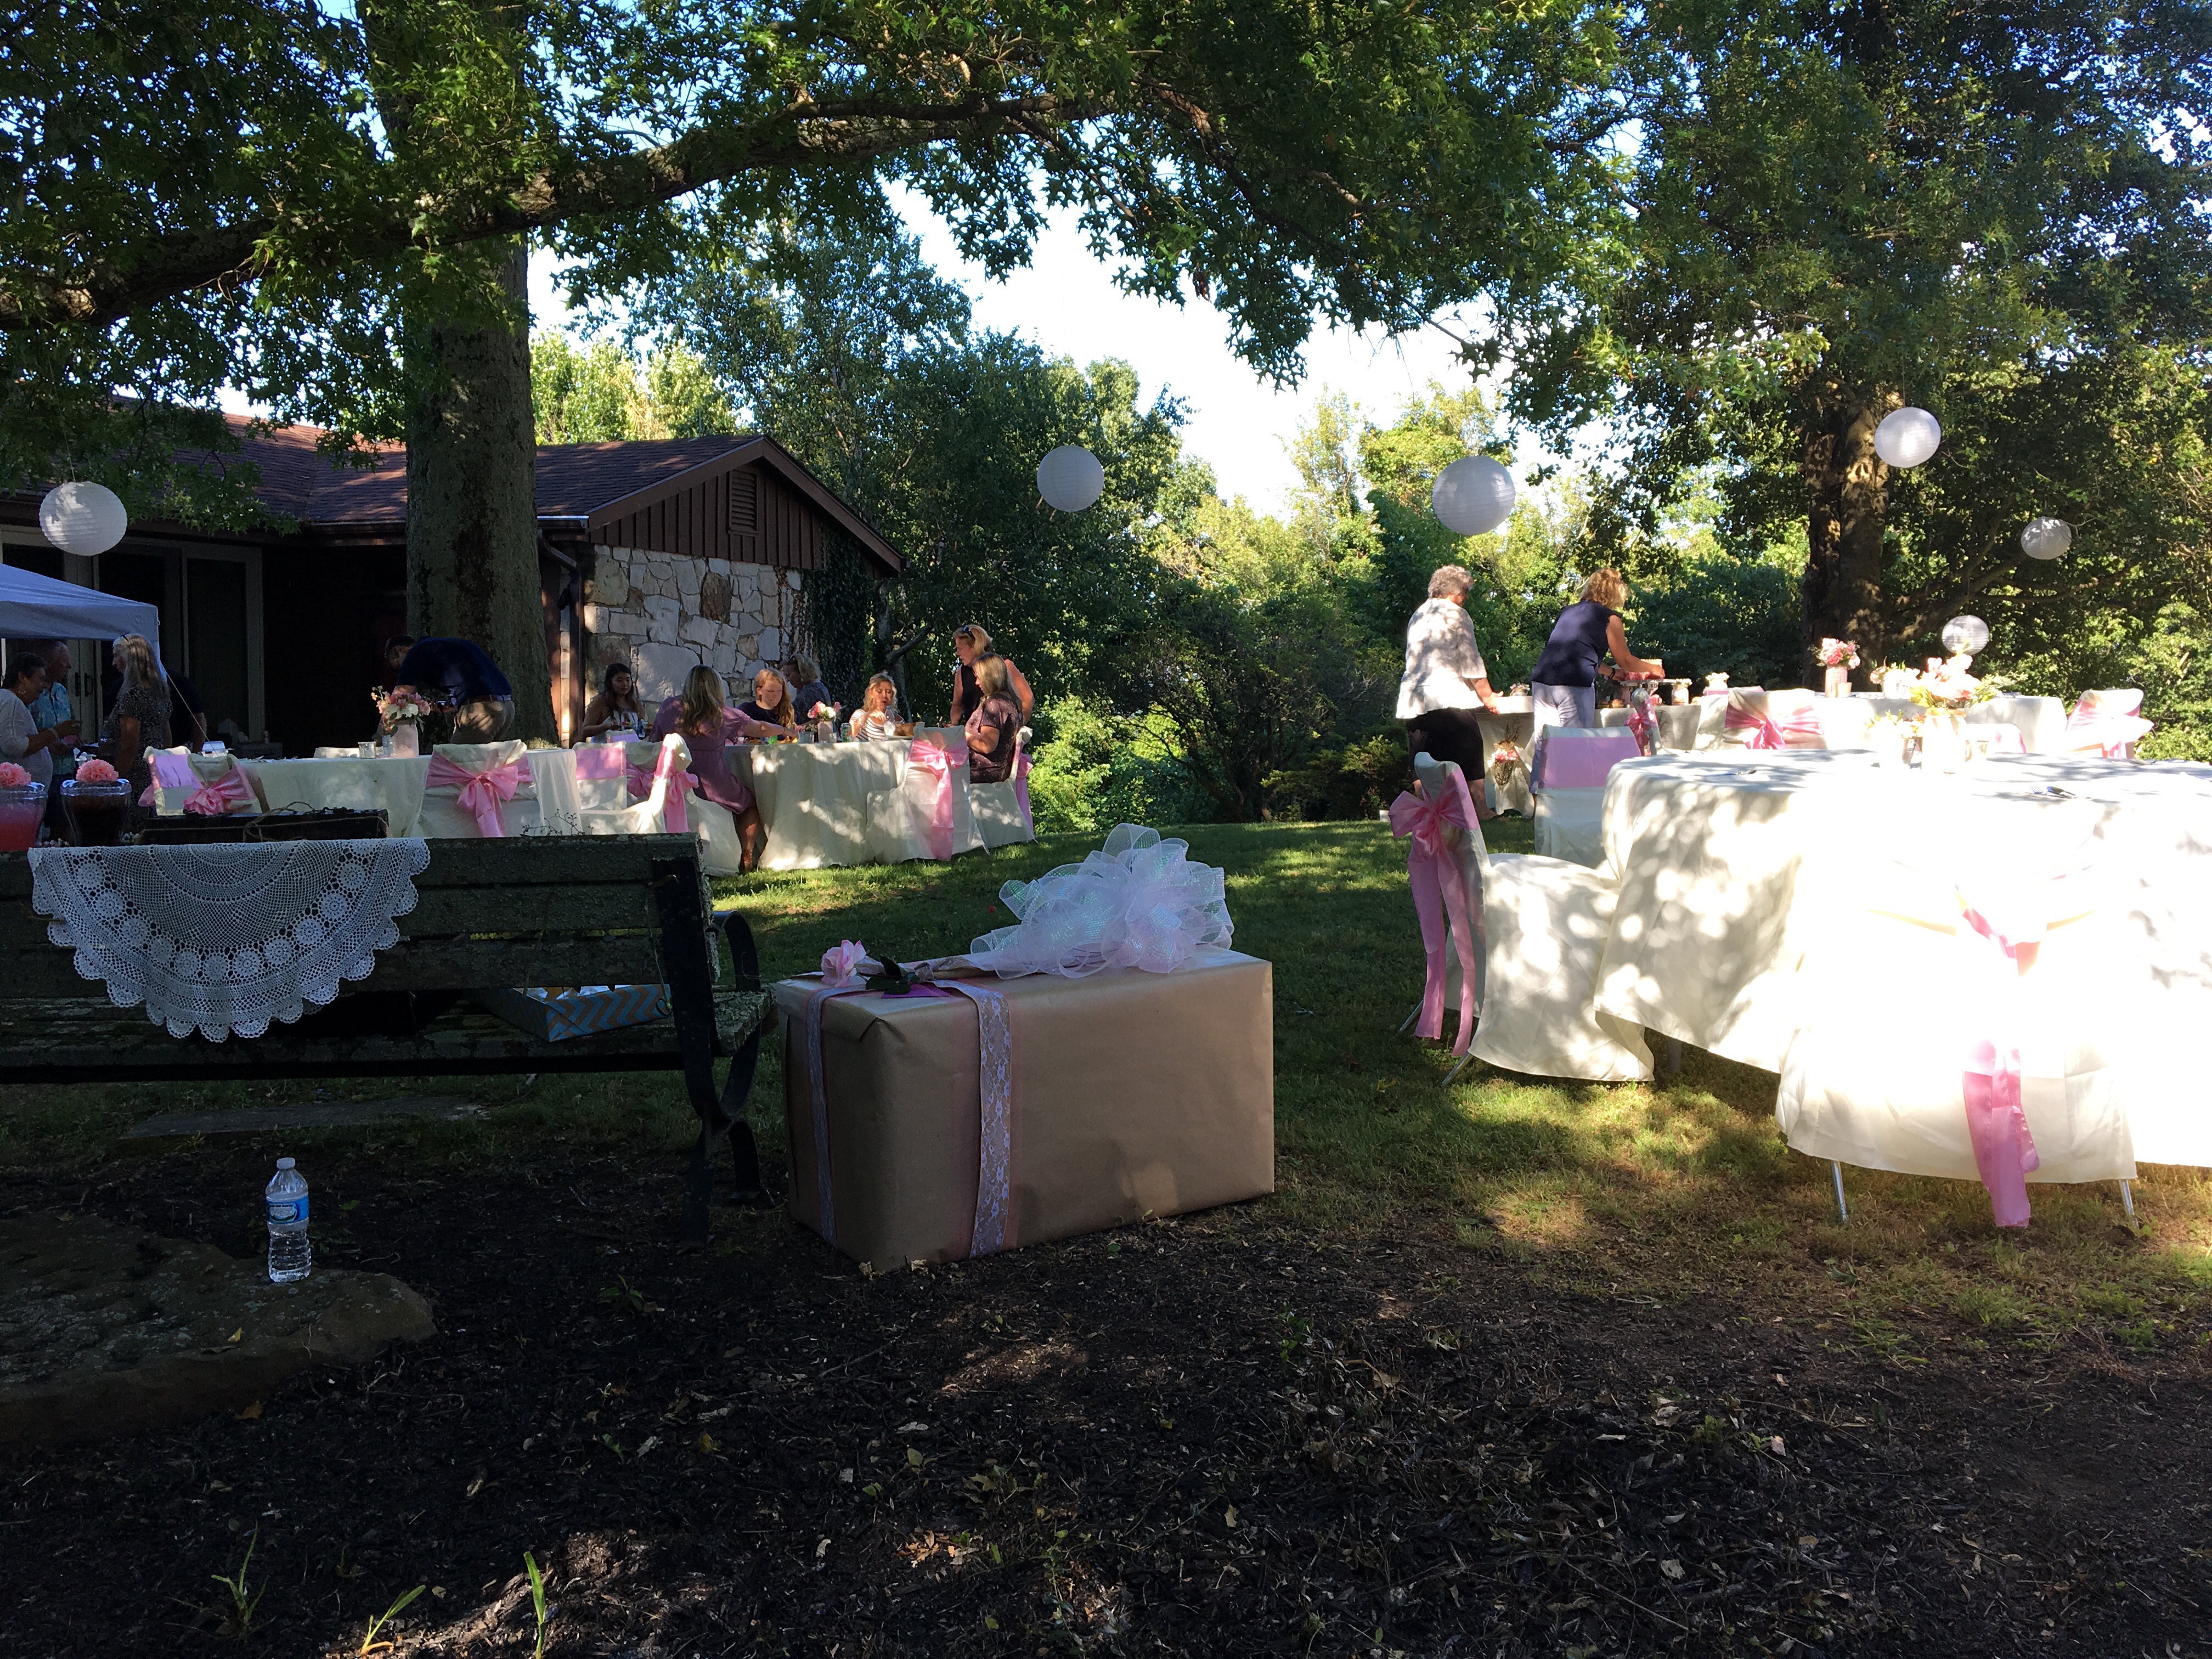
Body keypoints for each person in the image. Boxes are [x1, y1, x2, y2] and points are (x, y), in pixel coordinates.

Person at [648, 665, 772, 871]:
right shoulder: (724, 714)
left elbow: (654, 740)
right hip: (713, 786)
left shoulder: (669, 707)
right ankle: (747, 855)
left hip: (675, 783)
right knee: (749, 804)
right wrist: (788, 730)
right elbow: (761, 728)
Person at [1397, 565, 1505, 783]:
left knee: (1424, 770)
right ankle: (1478, 804)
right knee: (1471, 767)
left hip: (1415, 703)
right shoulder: (1457, 614)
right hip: (1450, 700)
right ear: (1453, 591)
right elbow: (1470, 661)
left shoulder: (1418, 615)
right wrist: (1488, 697)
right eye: (1465, 591)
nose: (1466, 597)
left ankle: (1427, 804)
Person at [1530, 568, 1663, 734]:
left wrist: (1612, 673)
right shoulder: (1609, 618)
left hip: (1543, 682)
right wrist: (1652, 668)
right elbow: (1625, 661)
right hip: (1573, 685)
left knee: (1546, 741)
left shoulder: (1569, 612)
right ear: (1616, 592)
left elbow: (1579, 654)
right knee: (1574, 741)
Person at [391, 636, 515, 741]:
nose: (403, 669)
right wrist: (452, 704)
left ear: (400, 649)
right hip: (506, 706)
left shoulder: (415, 652)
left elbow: (400, 695)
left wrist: (384, 731)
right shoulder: (450, 644)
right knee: (485, 762)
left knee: (454, 760)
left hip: (481, 711)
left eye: (398, 665)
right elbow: (474, 680)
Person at [100, 634, 171, 800]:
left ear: (129, 658)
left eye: (116, 656)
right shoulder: (160, 692)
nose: (114, 663)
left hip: (135, 777)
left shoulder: (132, 696)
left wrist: (113, 781)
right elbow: (167, 738)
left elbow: (129, 748)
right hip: (157, 774)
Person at [25, 641, 81, 833]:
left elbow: (70, 721)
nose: (69, 667)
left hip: (65, 769)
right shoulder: (30, 695)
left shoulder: (62, 691)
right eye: (64, 662)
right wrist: (51, 739)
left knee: (66, 825)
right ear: (49, 662)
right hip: (41, 771)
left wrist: (76, 737)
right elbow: (25, 729)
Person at [0, 651, 71, 790]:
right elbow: (14, 746)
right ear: (22, 677)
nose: (44, 686)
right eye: (41, 679)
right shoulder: (11, 702)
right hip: (18, 794)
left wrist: (46, 744)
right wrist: (56, 732)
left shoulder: (8, 700)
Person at [947, 623, 1034, 725]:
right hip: (972, 733)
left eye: (960, 649)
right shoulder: (962, 671)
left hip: (1000, 732)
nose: (957, 653)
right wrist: (954, 724)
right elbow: (957, 705)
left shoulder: (1004, 666)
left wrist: (1016, 727)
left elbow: (1028, 700)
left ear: (974, 647)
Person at [964, 653, 1024, 784]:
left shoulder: (994, 704)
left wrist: (961, 734)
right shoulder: (1011, 703)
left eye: (979, 678)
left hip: (980, 780)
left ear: (990, 678)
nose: (977, 683)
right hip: (997, 777)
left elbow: (987, 745)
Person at [580, 661, 648, 741]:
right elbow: (585, 731)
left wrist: (646, 731)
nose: (625, 684)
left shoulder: (636, 704)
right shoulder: (600, 702)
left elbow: (638, 734)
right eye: (620, 681)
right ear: (610, 682)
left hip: (631, 748)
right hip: (605, 748)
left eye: (628, 680)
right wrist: (604, 727)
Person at [738, 667, 799, 731]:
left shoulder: (789, 711)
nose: (775, 696)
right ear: (759, 690)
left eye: (779, 691)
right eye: (771, 691)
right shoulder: (746, 711)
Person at [847, 673, 902, 741]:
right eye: (879, 691)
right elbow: (848, 734)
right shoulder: (861, 714)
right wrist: (866, 717)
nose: (884, 696)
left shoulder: (898, 720)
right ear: (871, 694)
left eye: (888, 692)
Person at [787, 656, 834, 723]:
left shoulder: (810, 692)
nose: (788, 680)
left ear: (801, 673)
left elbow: (816, 722)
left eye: (789, 675)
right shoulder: (819, 686)